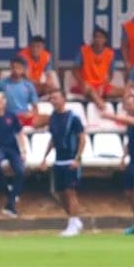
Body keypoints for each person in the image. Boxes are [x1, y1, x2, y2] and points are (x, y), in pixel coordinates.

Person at [102, 92, 134, 236]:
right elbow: (130, 141)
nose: (127, 108)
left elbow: (130, 121)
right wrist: (123, 158)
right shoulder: (132, 122)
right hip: (133, 161)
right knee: (129, 193)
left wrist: (110, 116)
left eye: (129, 105)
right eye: (126, 105)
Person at [39, 89, 87, 237]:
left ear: (63, 100)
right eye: (51, 98)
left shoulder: (73, 118)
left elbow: (82, 138)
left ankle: (72, 224)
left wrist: (77, 158)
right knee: (60, 193)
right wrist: (45, 157)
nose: (53, 101)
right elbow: (53, 139)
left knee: (70, 192)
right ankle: (74, 220)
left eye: (56, 98)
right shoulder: (53, 117)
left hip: (70, 159)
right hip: (59, 160)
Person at [0, 92, 26, 217]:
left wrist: (23, 150)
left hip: (12, 149)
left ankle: (10, 204)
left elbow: (20, 133)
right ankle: (7, 191)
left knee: (20, 171)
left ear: (4, 103)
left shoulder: (12, 116)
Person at [74, 27, 121, 107]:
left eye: (101, 37)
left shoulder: (110, 53)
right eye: (96, 37)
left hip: (102, 86)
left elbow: (110, 74)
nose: (98, 39)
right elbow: (75, 70)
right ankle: (102, 106)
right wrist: (82, 83)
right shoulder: (84, 50)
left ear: (105, 40)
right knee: (92, 91)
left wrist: (103, 86)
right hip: (86, 85)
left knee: (124, 91)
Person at [0, 56, 40, 124]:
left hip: (24, 116)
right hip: (8, 117)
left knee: (46, 118)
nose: (15, 70)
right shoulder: (2, 83)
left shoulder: (28, 85)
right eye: (13, 67)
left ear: (23, 70)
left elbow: (35, 107)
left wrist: (31, 113)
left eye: (18, 68)